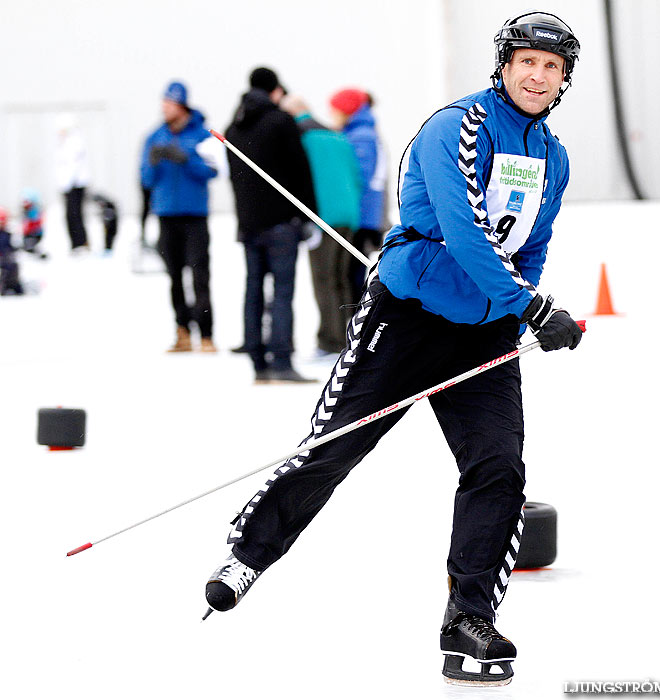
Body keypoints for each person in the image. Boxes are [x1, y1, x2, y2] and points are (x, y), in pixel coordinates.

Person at [204, 11, 583, 688]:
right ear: (503, 66)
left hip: (484, 333)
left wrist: (525, 308)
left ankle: (469, 617)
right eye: (527, 61)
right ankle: (248, 551)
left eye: (551, 67)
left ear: (563, 82)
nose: (538, 75)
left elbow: (532, 245)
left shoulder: (552, 156)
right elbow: (465, 233)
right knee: (336, 446)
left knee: (498, 467)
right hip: (408, 316)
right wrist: (532, 305)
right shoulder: (459, 127)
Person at [224, 67, 317, 382]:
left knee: (253, 288)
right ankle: (281, 361)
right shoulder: (280, 122)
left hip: (249, 224)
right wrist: (309, 217)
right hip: (281, 223)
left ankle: (257, 360)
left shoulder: (233, 128)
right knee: (281, 292)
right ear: (275, 91)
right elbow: (301, 172)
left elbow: (235, 180)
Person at [140, 81, 221, 353]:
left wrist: (186, 159)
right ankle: (182, 331)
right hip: (166, 215)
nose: (164, 109)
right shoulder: (154, 137)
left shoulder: (200, 136)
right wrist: (152, 163)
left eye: (169, 104)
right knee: (174, 276)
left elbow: (212, 171)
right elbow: (146, 179)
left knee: (199, 276)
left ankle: (207, 334)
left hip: (195, 216)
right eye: (163, 104)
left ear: (182, 106)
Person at [280, 94, 362, 357]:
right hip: (349, 215)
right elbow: (356, 176)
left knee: (324, 279)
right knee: (341, 278)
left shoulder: (300, 138)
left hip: (322, 217)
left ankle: (330, 341)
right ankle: (347, 337)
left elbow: (299, 178)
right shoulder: (338, 137)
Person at [329, 88, 387, 304]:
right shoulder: (364, 132)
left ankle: (355, 321)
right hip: (366, 213)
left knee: (352, 274)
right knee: (353, 273)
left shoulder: (360, 136)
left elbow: (359, 177)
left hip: (361, 214)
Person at [54, 113, 90, 253]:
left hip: (75, 186)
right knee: (71, 215)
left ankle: (80, 243)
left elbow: (72, 166)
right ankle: (76, 243)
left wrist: (67, 185)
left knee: (74, 215)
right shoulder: (64, 143)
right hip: (69, 186)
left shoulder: (74, 142)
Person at [0, 207, 24, 295]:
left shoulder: (8, 234)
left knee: (13, 265)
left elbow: (14, 247)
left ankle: (15, 287)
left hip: (7, 260)